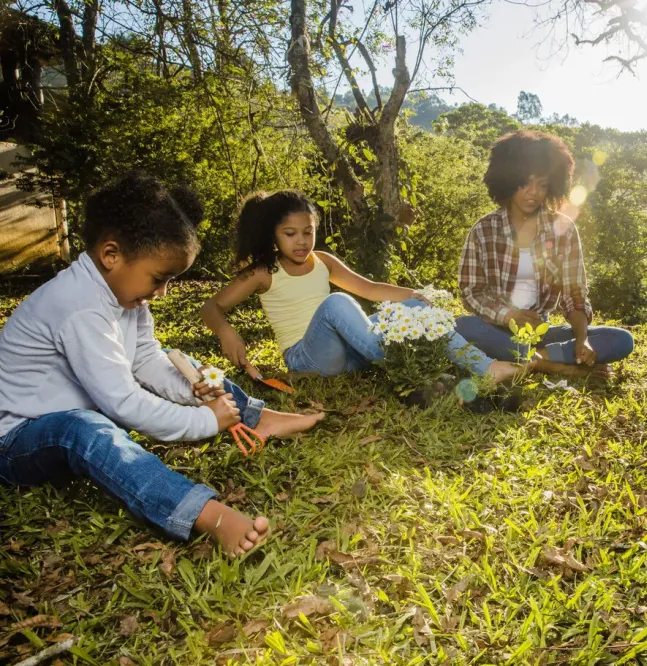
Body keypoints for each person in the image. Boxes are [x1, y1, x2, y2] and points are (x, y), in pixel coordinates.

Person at [0, 173, 324, 556]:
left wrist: (192, 388)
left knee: (185, 365)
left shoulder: (125, 295)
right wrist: (205, 421)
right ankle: (203, 513)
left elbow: (147, 360)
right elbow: (122, 402)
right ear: (111, 255)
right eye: (158, 278)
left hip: (86, 406)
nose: (162, 292)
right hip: (19, 439)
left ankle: (256, 417)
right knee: (83, 428)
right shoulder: (77, 306)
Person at [201, 191, 523, 383]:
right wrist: (227, 332)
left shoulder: (323, 260)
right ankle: (411, 366)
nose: (301, 241)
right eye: (290, 234)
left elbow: (369, 288)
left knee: (414, 308)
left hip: (352, 356)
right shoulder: (263, 271)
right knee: (336, 302)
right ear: (273, 234)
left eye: (308, 232)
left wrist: (413, 296)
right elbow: (211, 307)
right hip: (307, 358)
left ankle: (486, 367)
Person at [456, 130, 634, 377]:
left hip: (541, 333)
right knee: (461, 327)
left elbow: (574, 294)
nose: (533, 193)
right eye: (524, 183)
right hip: (495, 329)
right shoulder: (483, 230)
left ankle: (527, 358)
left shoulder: (564, 229)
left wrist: (582, 340)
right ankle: (551, 365)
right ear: (508, 181)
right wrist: (509, 316)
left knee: (621, 340)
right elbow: (471, 291)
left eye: (542, 185)